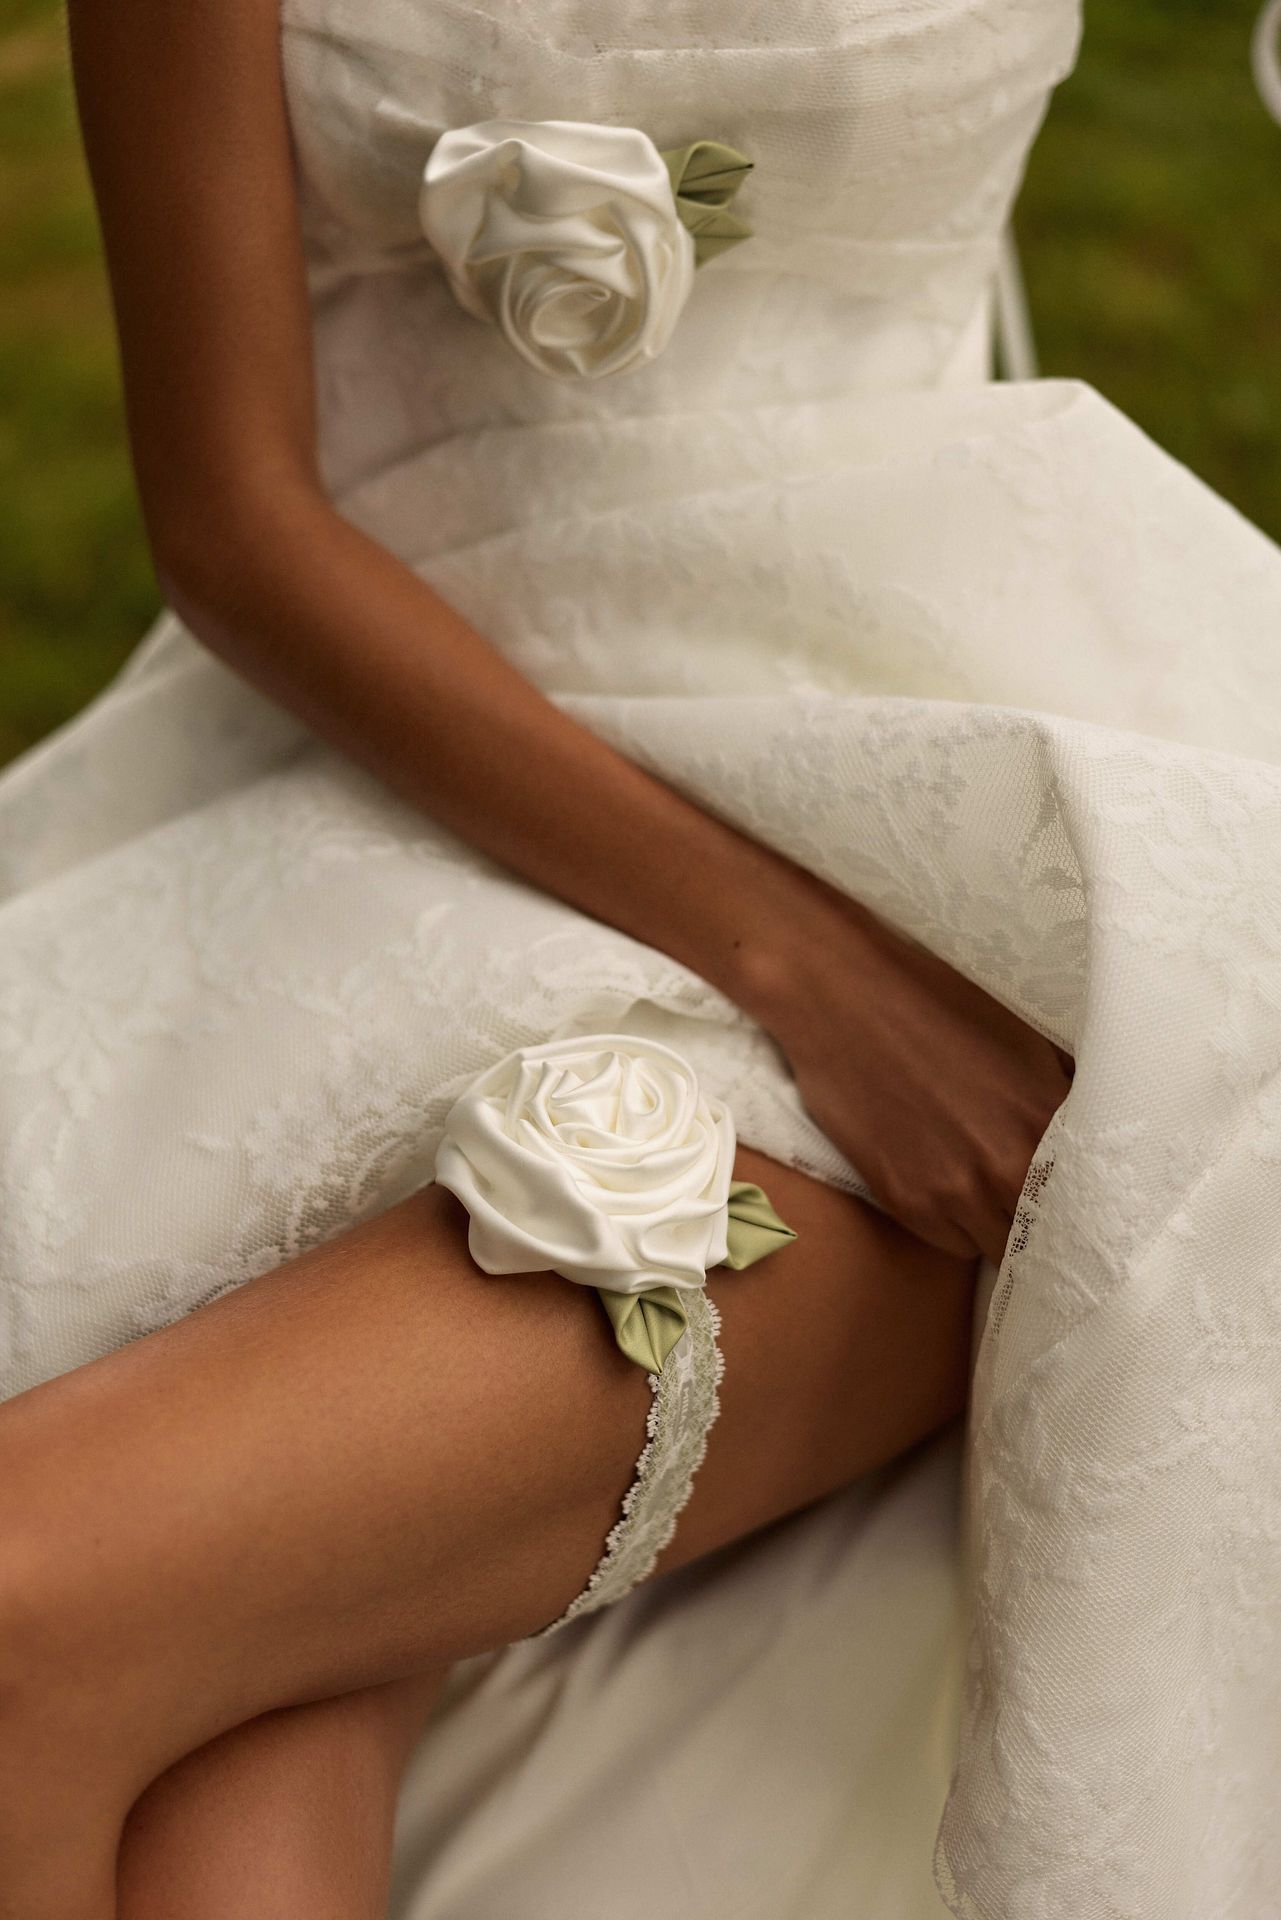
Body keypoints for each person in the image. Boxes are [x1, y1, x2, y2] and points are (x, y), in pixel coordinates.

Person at [0, 1, 1277, 1916]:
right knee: (236, 1755)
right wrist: (802, 971)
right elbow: (233, 519)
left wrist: (864, 974)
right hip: (379, 779)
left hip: (938, 830)